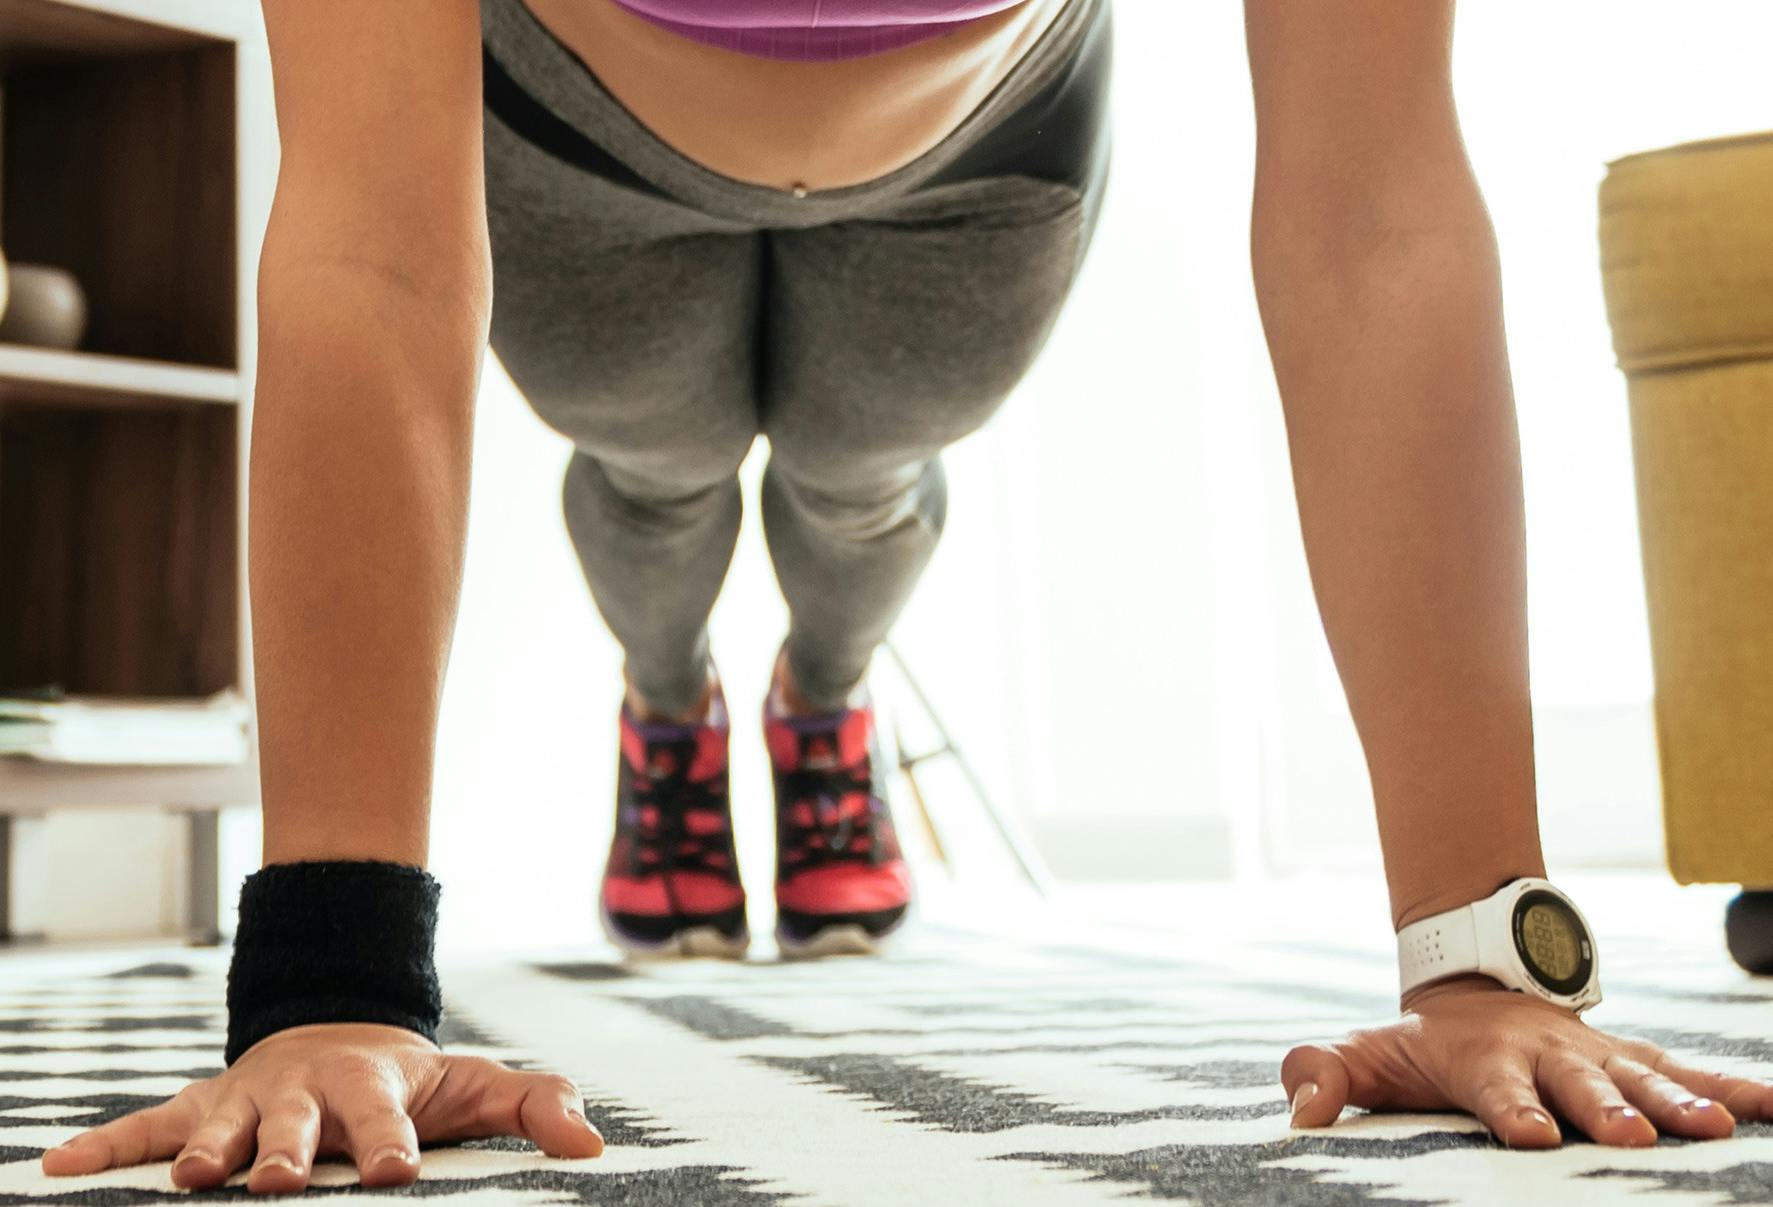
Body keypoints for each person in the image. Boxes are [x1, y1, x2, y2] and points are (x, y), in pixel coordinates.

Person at [41, 0, 1773, 1194]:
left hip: (983, 138)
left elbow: (1375, 213)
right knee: (659, 473)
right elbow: (370, 243)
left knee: (857, 478)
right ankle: (670, 716)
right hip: (572, 150)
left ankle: (815, 705)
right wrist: (332, 983)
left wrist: (1481, 964)